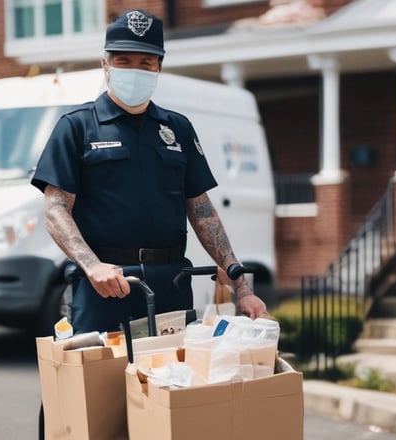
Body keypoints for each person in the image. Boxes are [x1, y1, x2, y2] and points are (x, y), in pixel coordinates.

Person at [31, 8, 267, 333]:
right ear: (106, 64)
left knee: (171, 378)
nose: (135, 70)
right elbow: (55, 209)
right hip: (106, 286)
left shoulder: (178, 129)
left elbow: (202, 210)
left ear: (158, 67)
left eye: (146, 62)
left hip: (170, 282)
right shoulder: (77, 127)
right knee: (104, 383)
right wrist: (92, 266)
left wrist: (239, 283)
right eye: (124, 61)